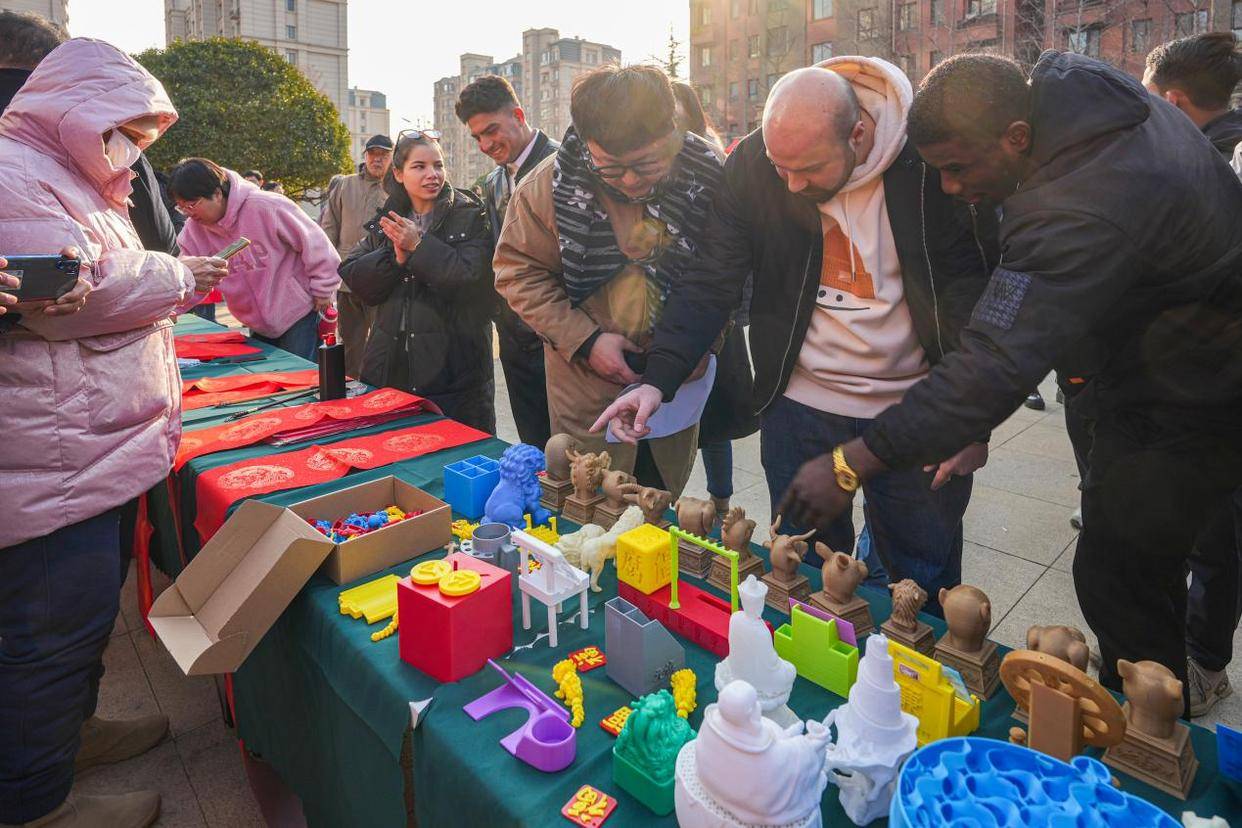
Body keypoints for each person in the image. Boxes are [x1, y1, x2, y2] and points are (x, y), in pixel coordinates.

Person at [776, 51, 1242, 713]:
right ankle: (1156, 675)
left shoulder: (1079, 204)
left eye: (958, 167)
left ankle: (1151, 728)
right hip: (1154, 361)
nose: (948, 188)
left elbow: (994, 362)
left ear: (1016, 138)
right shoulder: (1065, 87)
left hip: (1194, 389)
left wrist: (854, 460)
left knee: (1120, 570)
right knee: (1132, 552)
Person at [596, 59, 993, 602]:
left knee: (917, 587)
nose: (792, 183)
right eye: (780, 167)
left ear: (858, 134)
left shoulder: (926, 163)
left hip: (917, 410)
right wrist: (656, 380)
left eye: (809, 169)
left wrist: (972, 421)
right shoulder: (755, 163)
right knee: (800, 574)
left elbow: (973, 296)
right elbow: (712, 277)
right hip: (799, 410)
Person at [0, 37, 203, 828]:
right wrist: (175, 276)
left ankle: (70, 736)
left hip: (88, 444)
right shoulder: (14, 170)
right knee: (50, 632)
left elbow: (94, 276)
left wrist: (131, 277)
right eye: (129, 133)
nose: (135, 152)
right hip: (51, 454)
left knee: (79, 622)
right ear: (78, 110)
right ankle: (34, 804)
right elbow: (71, 295)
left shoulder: (74, 176)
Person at [494, 65, 726, 496]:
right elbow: (516, 272)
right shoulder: (546, 187)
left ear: (672, 133)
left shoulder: (711, 174)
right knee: (590, 498)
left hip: (680, 379)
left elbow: (729, 274)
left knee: (660, 499)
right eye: (612, 170)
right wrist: (585, 340)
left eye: (647, 165)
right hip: (587, 385)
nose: (632, 181)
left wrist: (702, 346)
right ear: (587, 145)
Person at [1143, 30, 1242, 716]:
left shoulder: (1219, 166)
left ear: (1174, 103)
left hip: (1216, 391)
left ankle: (1206, 663)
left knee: (1215, 532)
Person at [339, 130, 496, 431]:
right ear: (398, 174)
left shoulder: (470, 215)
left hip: (455, 374)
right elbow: (355, 277)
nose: (432, 174)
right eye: (419, 166)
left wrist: (419, 247)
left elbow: (473, 282)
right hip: (391, 365)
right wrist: (396, 259)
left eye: (438, 165)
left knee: (456, 450)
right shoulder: (388, 220)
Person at [456, 74, 558, 449]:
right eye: (476, 137)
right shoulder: (494, 182)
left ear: (518, 115)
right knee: (533, 451)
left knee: (575, 458)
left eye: (491, 131)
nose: (485, 145)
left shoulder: (565, 165)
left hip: (563, 343)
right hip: (515, 344)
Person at [670, 80, 757, 516]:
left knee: (714, 417)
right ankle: (667, 500)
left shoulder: (713, 167)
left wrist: (726, 318)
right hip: (670, 315)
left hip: (714, 315)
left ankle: (721, 503)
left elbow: (735, 253)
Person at [172, 157, 340, 360]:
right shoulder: (193, 232)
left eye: (192, 205)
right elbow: (189, 278)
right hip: (255, 322)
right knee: (271, 374)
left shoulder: (266, 206)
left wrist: (323, 288)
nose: (188, 213)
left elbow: (315, 245)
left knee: (300, 371)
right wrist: (168, 310)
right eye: (181, 207)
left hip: (298, 313)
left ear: (217, 193)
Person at [320, 133, 394, 376]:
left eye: (383, 155)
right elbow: (329, 227)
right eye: (373, 154)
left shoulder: (398, 188)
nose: (377, 159)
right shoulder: (345, 185)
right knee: (351, 341)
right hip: (347, 278)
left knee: (383, 342)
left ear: (392, 158)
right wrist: (327, 268)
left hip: (382, 279)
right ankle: (351, 384)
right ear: (365, 156)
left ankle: (378, 388)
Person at [1144, 32, 1242, 157]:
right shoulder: (1231, 151)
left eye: (1148, 98)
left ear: (1171, 102)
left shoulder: (1191, 164)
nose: (1142, 106)